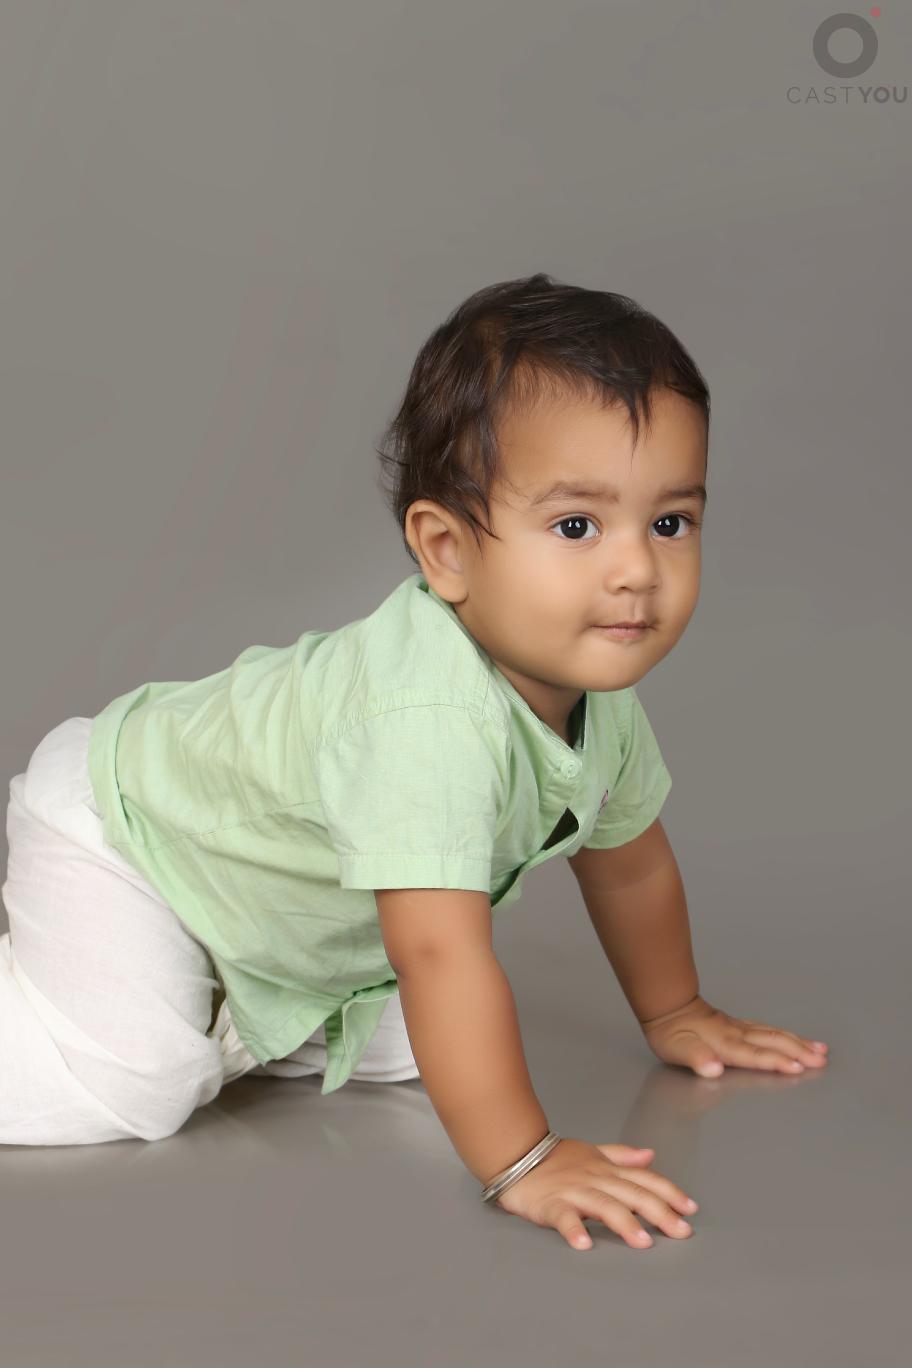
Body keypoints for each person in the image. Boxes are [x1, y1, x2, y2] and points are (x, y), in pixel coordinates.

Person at [0, 272, 829, 1252]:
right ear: (447, 551)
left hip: (245, 881)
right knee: (139, 1084)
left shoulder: (593, 692)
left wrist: (676, 1009)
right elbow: (437, 950)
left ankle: (221, 994)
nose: (636, 570)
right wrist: (523, 1159)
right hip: (128, 833)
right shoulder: (427, 719)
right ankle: (156, 1000)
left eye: (670, 523)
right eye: (576, 526)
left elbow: (629, 861)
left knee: (409, 1047)